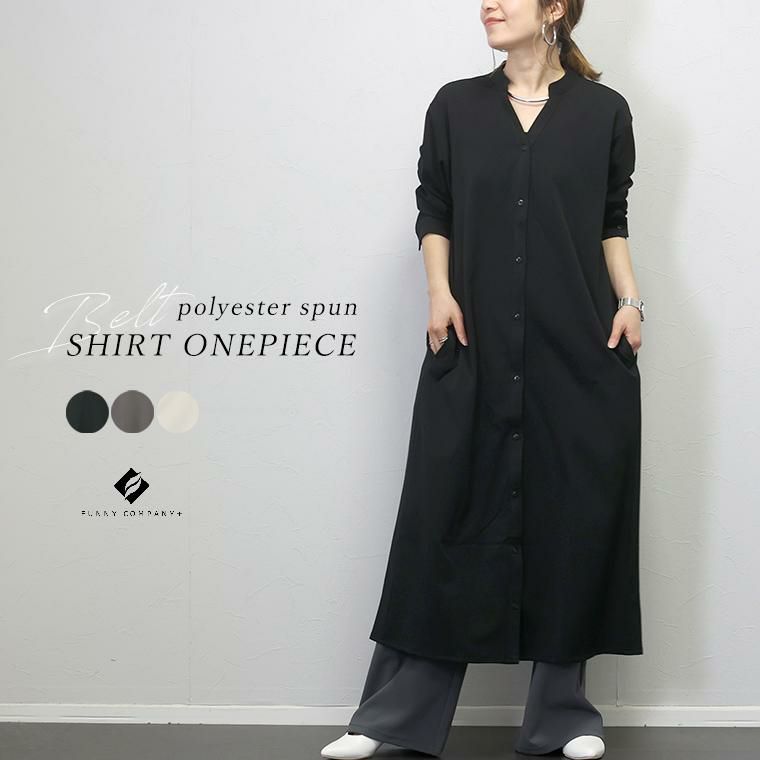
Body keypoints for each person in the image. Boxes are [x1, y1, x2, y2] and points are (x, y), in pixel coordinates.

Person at [322, 1, 644, 758]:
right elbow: (434, 206)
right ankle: (393, 720)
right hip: (472, 341)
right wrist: (438, 291)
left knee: (572, 518)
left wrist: (631, 302)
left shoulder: (604, 112)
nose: (488, 5)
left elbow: (611, 216)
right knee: (447, 513)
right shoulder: (456, 106)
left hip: (578, 346)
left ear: (554, 8)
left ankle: (564, 719)